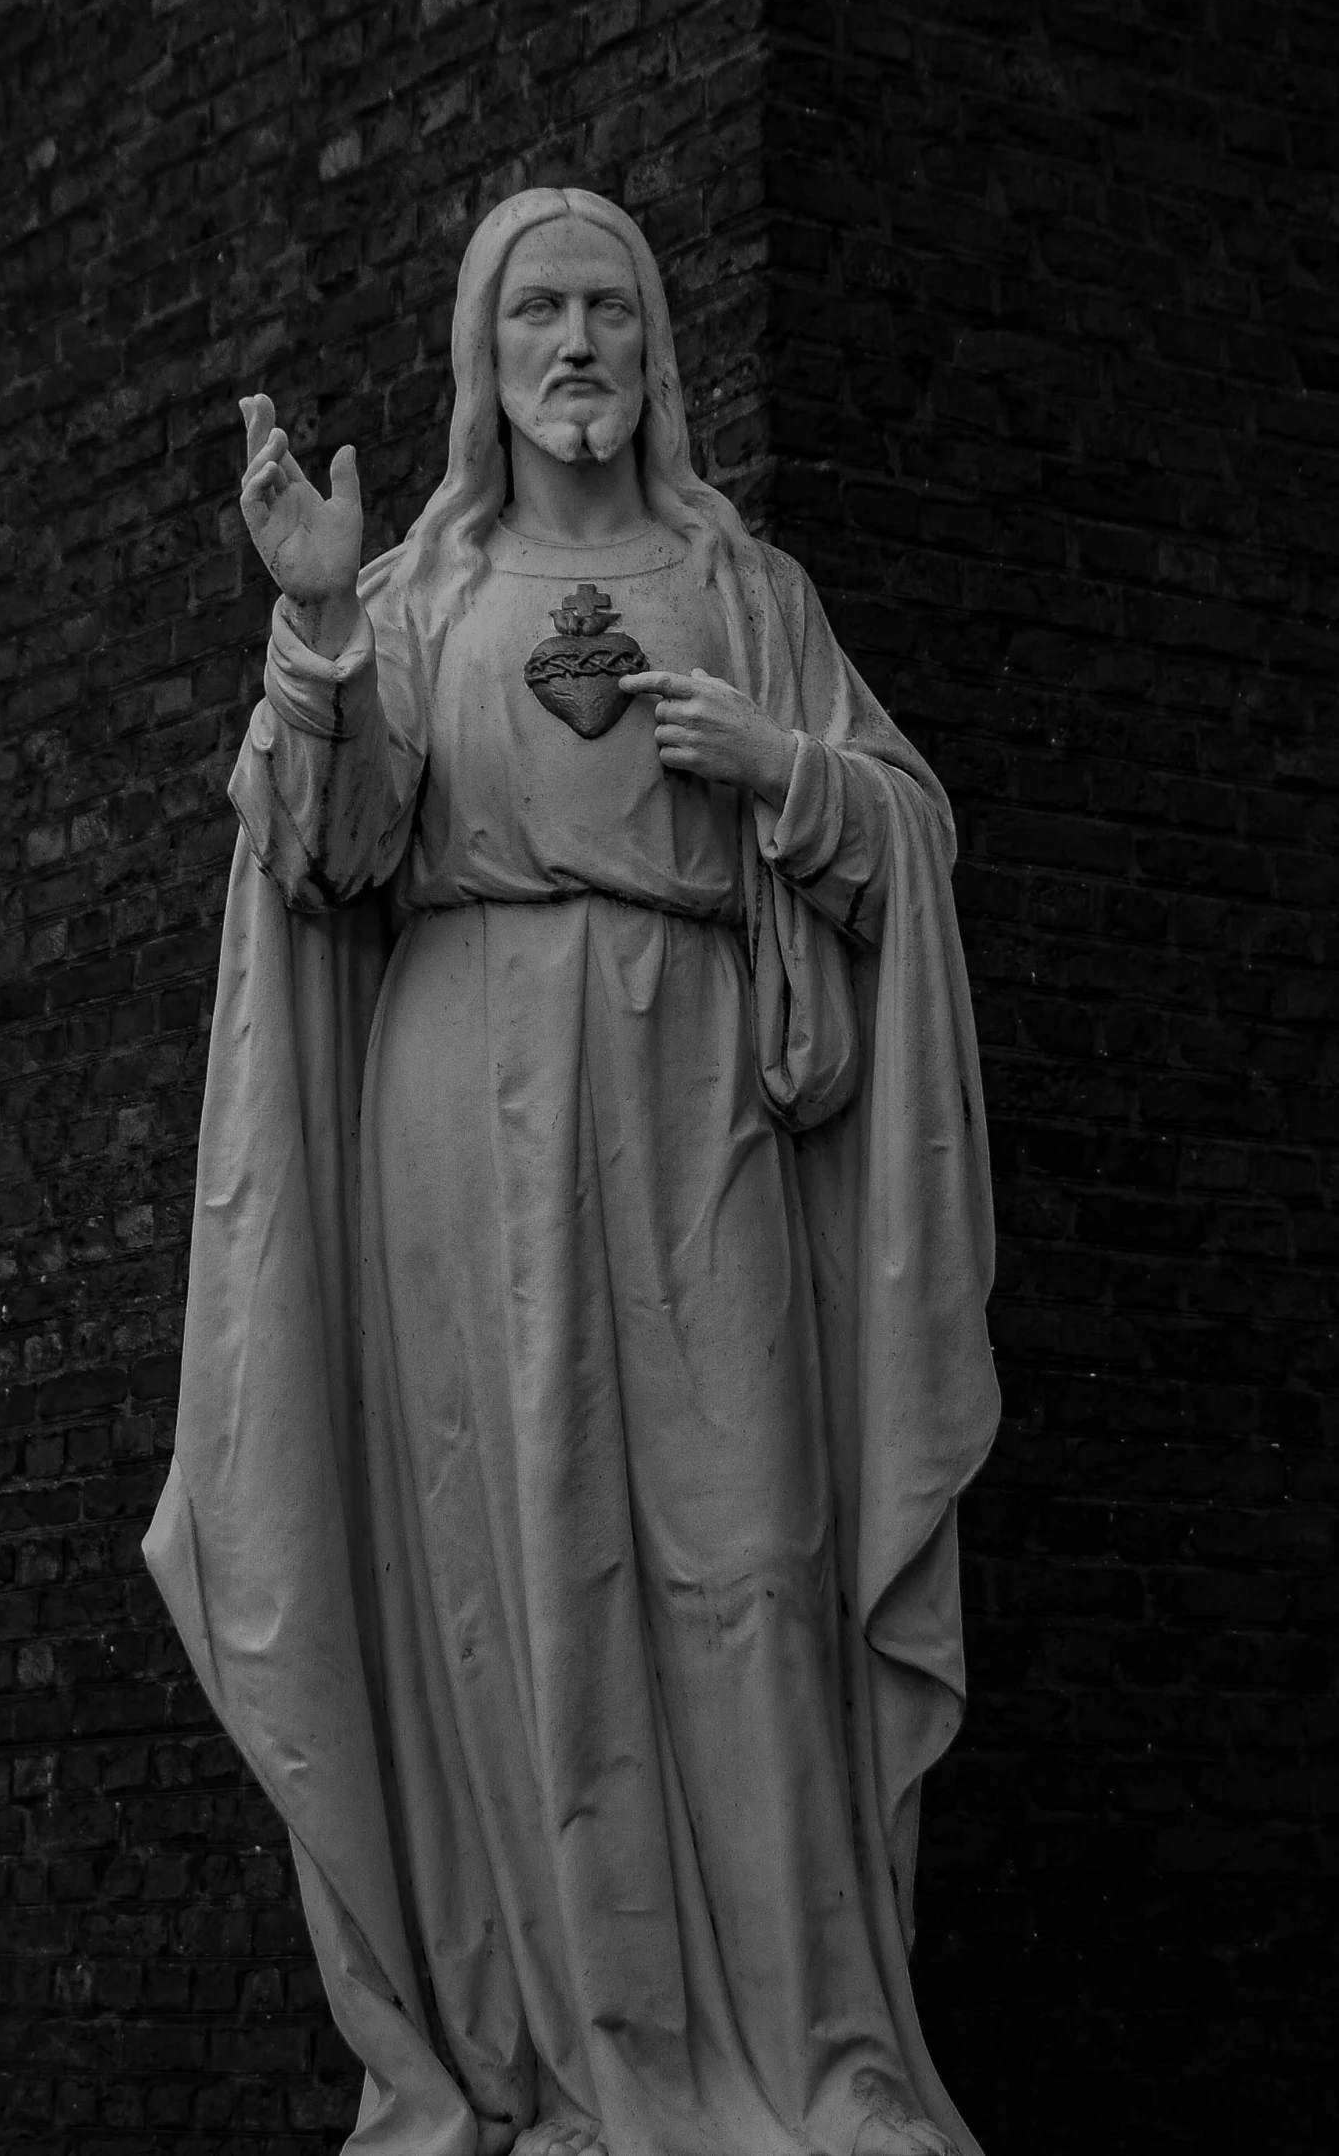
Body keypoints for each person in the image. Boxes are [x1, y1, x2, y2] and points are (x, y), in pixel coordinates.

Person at [143, 186, 999, 2156]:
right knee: (503, 1566)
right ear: (483, 352)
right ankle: (542, 2055)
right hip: (466, 1104)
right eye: (536, 308)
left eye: (608, 305)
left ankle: (795, 2064)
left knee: (747, 1552)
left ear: (655, 343)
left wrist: (776, 768)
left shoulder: (742, 587)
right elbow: (330, 856)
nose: (577, 341)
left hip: (702, 1090)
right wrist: (319, 624)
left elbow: (899, 835)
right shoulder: (420, 596)